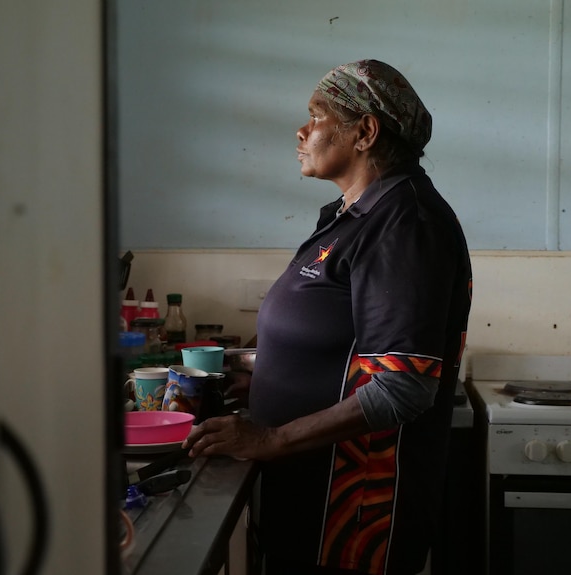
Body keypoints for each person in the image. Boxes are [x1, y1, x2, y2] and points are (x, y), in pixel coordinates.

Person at [183, 59, 472, 575]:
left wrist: (270, 439)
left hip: (354, 520)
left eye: (316, 116)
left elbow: (402, 389)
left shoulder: (405, 223)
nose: (300, 130)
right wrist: (257, 376)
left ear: (365, 132)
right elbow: (336, 342)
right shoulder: (353, 216)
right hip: (306, 498)